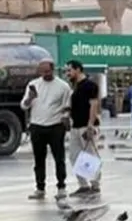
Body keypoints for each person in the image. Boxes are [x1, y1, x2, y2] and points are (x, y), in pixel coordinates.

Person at [22, 60, 72, 200]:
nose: (45, 74)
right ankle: (40, 188)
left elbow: (67, 106)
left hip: (55, 126)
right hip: (37, 126)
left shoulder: (63, 87)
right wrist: (29, 98)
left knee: (59, 158)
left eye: (47, 71)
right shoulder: (33, 85)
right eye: (42, 71)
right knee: (39, 159)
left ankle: (61, 186)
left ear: (53, 70)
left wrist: (65, 118)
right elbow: (24, 105)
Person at [65, 60, 102, 196]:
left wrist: (90, 125)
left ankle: (95, 185)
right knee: (74, 156)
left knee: (90, 156)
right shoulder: (75, 87)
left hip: (86, 127)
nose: (67, 73)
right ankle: (83, 185)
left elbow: (93, 105)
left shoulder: (90, 85)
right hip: (75, 126)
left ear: (78, 70)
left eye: (69, 70)